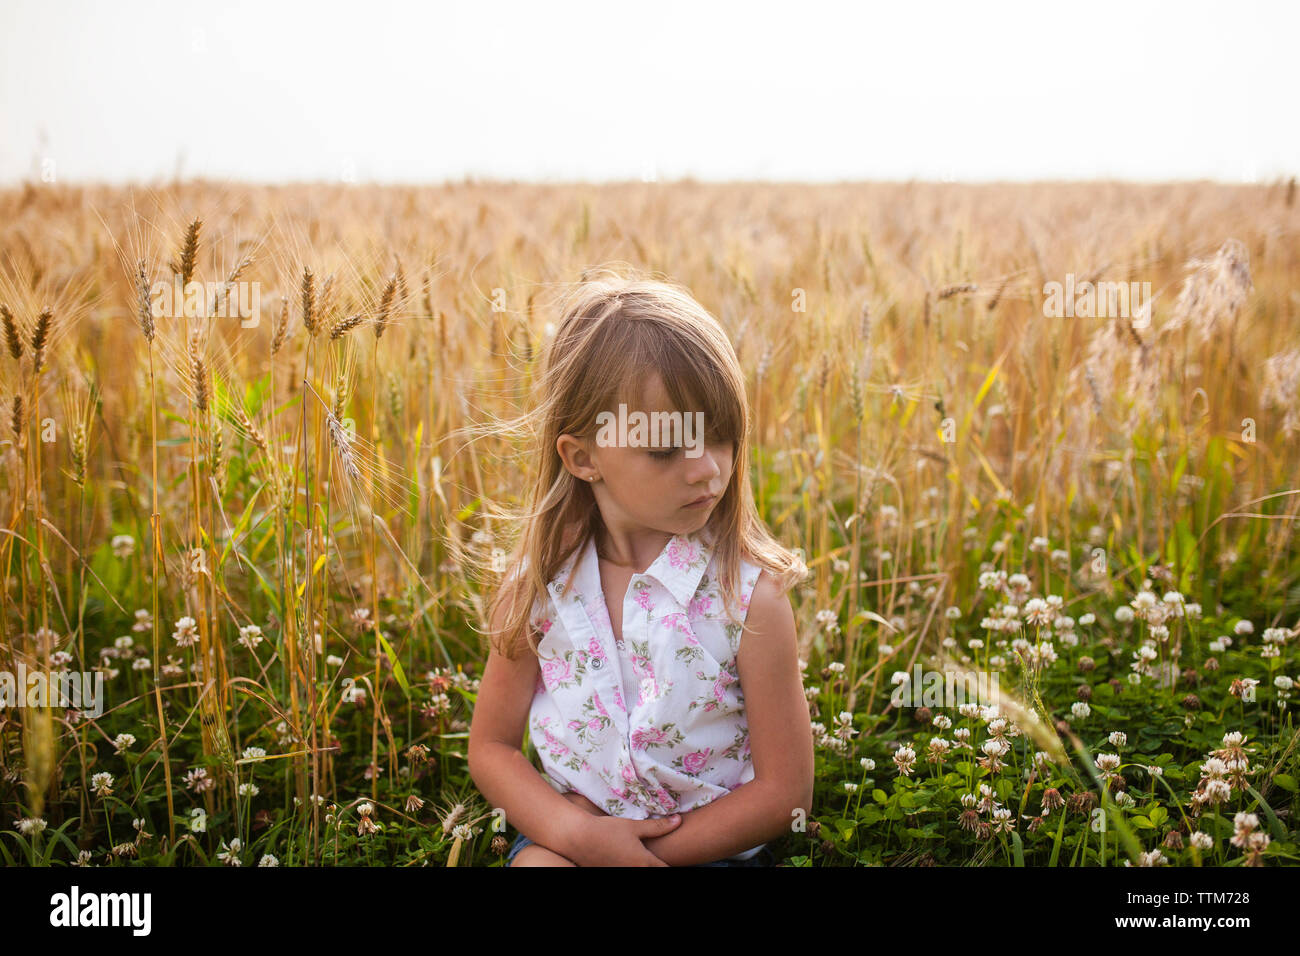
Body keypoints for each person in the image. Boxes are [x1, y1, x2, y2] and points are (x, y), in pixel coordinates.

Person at [466, 267, 813, 866]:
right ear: (582, 458)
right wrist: (580, 839)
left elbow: (785, 793)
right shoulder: (538, 585)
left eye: (722, 435)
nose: (707, 468)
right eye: (664, 448)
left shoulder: (749, 597)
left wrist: (645, 859)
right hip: (574, 838)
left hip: (710, 850)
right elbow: (492, 748)